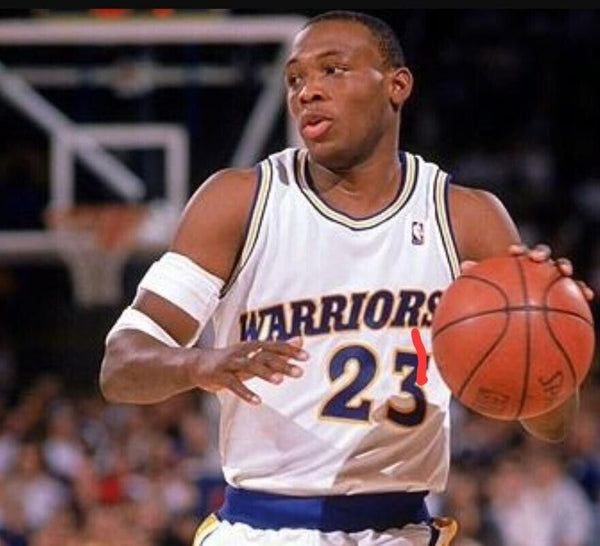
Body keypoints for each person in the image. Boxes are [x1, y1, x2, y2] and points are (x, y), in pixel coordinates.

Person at [99, 10, 595, 546]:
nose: (307, 91)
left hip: (401, 529)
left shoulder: (466, 218)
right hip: (259, 529)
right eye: (295, 79)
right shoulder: (239, 202)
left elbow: (552, 423)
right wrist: (201, 364)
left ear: (397, 86)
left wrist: (547, 326)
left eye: (332, 70)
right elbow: (120, 365)